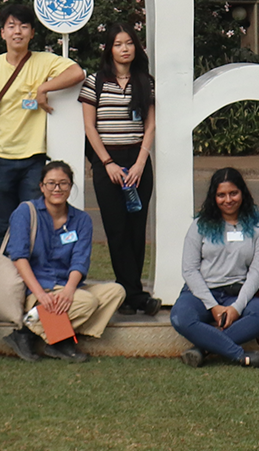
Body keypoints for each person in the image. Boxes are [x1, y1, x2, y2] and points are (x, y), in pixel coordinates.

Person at [0, 4, 82, 244]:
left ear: (32, 33)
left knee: (34, 220)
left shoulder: (44, 61)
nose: (18, 32)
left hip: (33, 158)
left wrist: (44, 88)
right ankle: (3, 277)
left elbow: (77, 73)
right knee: (4, 224)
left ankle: (33, 279)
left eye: (24, 26)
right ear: (2, 33)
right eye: (11, 26)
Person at [0, 161, 126, 363]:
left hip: (67, 288)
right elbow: (19, 257)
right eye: (51, 183)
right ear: (42, 187)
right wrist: (41, 294)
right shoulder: (26, 212)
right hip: (36, 290)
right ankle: (56, 338)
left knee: (116, 292)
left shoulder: (82, 220)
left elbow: (80, 260)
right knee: (87, 302)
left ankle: (35, 333)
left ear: (71, 186)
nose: (57, 189)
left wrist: (68, 290)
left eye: (63, 183)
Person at [81, 22, 161, 316]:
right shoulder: (95, 82)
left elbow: (149, 125)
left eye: (129, 43)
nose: (124, 49)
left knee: (136, 230)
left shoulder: (145, 82)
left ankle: (128, 296)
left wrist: (140, 162)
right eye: (118, 44)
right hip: (107, 163)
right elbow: (90, 126)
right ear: (109, 49)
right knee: (116, 229)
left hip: (138, 162)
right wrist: (108, 163)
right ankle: (136, 295)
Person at [171, 168, 259, 370]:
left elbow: (256, 273)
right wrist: (213, 306)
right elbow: (190, 270)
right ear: (214, 197)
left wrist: (236, 308)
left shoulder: (258, 228)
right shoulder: (200, 226)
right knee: (180, 317)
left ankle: (202, 349)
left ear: (243, 194)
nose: (228, 200)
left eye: (233, 193)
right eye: (221, 195)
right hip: (200, 295)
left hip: (236, 294)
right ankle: (242, 357)